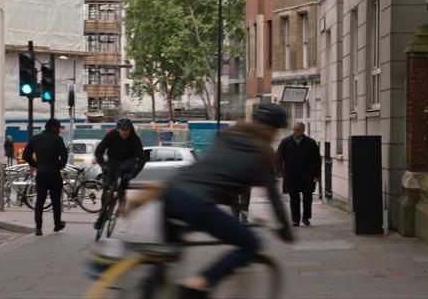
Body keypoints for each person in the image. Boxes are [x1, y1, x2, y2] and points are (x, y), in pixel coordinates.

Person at [125, 104, 295, 298]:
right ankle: (196, 286)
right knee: (250, 244)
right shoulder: (262, 154)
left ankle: (148, 290)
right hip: (196, 202)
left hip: (171, 194)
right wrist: (285, 231)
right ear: (273, 130)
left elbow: (215, 173)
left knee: (169, 253)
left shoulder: (229, 136)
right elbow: (274, 198)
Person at [93, 118, 146, 230]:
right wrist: (103, 165)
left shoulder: (134, 138)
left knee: (124, 172)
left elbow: (141, 159)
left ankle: (122, 197)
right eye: (123, 130)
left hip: (128, 160)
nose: (125, 132)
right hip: (113, 160)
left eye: (128, 130)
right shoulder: (111, 136)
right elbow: (99, 151)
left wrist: (133, 174)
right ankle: (102, 215)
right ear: (118, 129)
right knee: (106, 189)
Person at [22, 118, 69, 237]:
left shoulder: (36, 138)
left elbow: (26, 155)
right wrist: (59, 166)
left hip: (41, 173)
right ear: (53, 127)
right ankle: (57, 224)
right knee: (55, 201)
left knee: (40, 201)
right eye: (58, 128)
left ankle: (38, 227)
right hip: (54, 173)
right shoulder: (57, 139)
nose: (59, 130)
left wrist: (36, 165)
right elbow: (64, 155)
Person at [277, 122, 321, 227]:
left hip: (307, 175)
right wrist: (280, 172)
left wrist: (317, 174)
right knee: (294, 198)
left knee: (307, 197)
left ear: (303, 131)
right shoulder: (286, 142)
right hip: (291, 175)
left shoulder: (311, 143)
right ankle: (295, 219)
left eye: (297, 130)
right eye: (294, 129)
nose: (294, 132)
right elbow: (278, 158)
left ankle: (306, 217)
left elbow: (317, 160)